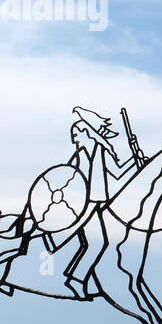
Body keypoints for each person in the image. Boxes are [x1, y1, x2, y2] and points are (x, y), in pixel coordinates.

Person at [60, 107, 138, 298]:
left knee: (98, 243)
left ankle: (77, 279)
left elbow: (118, 174)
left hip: (94, 205)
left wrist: (135, 161)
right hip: (82, 206)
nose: (74, 139)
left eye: (76, 134)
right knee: (95, 244)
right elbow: (69, 180)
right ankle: (76, 279)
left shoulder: (99, 151)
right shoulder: (78, 157)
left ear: (86, 133)